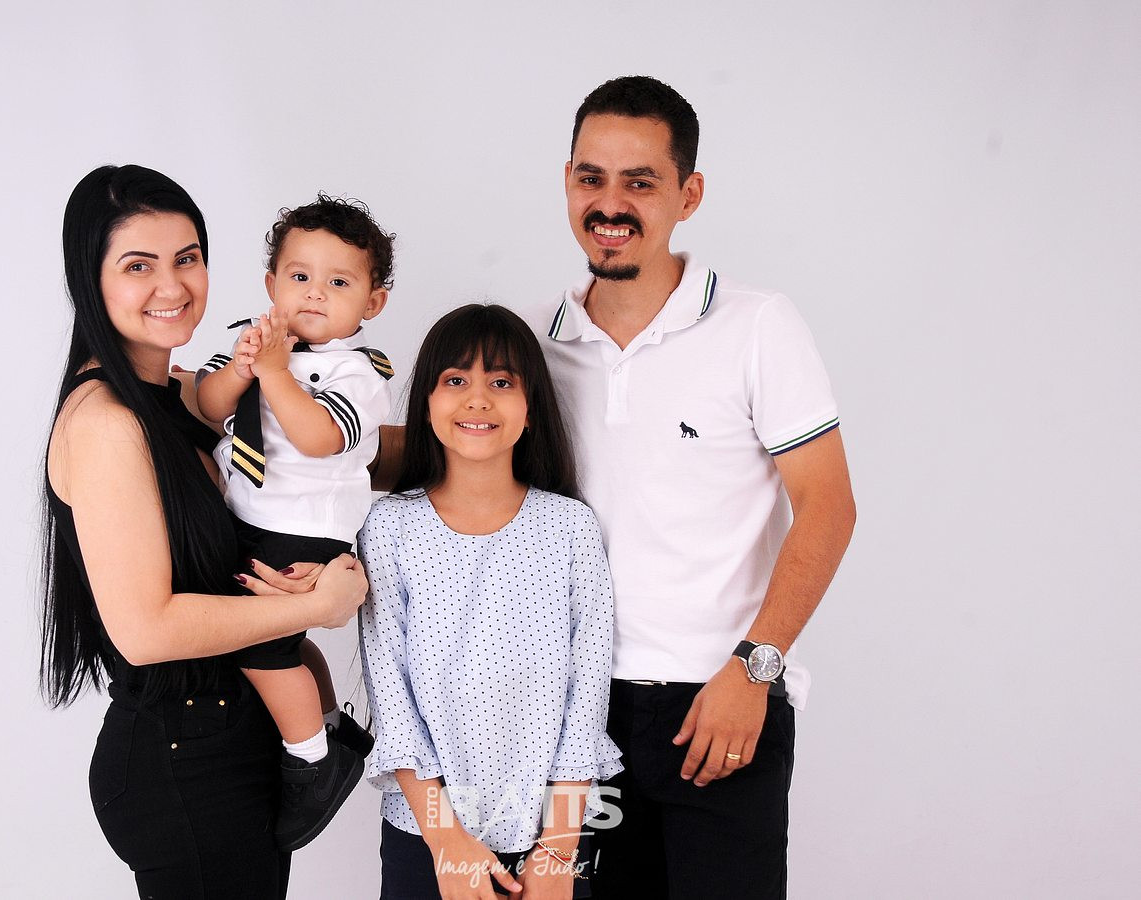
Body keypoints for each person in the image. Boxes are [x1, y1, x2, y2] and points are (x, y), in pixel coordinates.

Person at [531, 76, 857, 898]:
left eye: (639, 182)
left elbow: (828, 505)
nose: (610, 204)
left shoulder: (757, 324)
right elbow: (442, 464)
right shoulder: (533, 343)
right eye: (590, 177)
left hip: (722, 702)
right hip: (575, 716)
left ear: (689, 194)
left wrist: (754, 669)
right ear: (566, 180)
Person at [39, 164, 368, 899]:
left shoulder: (182, 391)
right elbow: (146, 631)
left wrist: (475, 427)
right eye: (138, 266)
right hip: (181, 763)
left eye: (187, 258)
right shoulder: (107, 424)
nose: (172, 285)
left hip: (230, 742)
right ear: (89, 279)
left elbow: (318, 452)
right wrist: (317, 607)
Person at [358, 304, 622, 899]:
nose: (477, 400)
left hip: (553, 840)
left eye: (501, 383)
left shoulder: (570, 528)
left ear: (531, 407)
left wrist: (558, 850)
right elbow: (393, 701)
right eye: (455, 380)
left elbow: (586, 700)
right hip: (427, 837)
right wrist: (447, 840)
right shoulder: (389, 528)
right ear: (426, 402)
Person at [196, 196, 394, 850]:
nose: (314, 293)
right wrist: (243, 366)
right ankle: (329, 724)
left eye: (338, 282)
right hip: (248, 515)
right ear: (271, 284)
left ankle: (310, 760)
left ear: (372, 303)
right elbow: (209, 404)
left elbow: (317, 437)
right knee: (277, 637)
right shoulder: (257, 344)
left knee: (258, 645)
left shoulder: (356, 372)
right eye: (300, 276)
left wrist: (276, 375)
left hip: (304, 527)